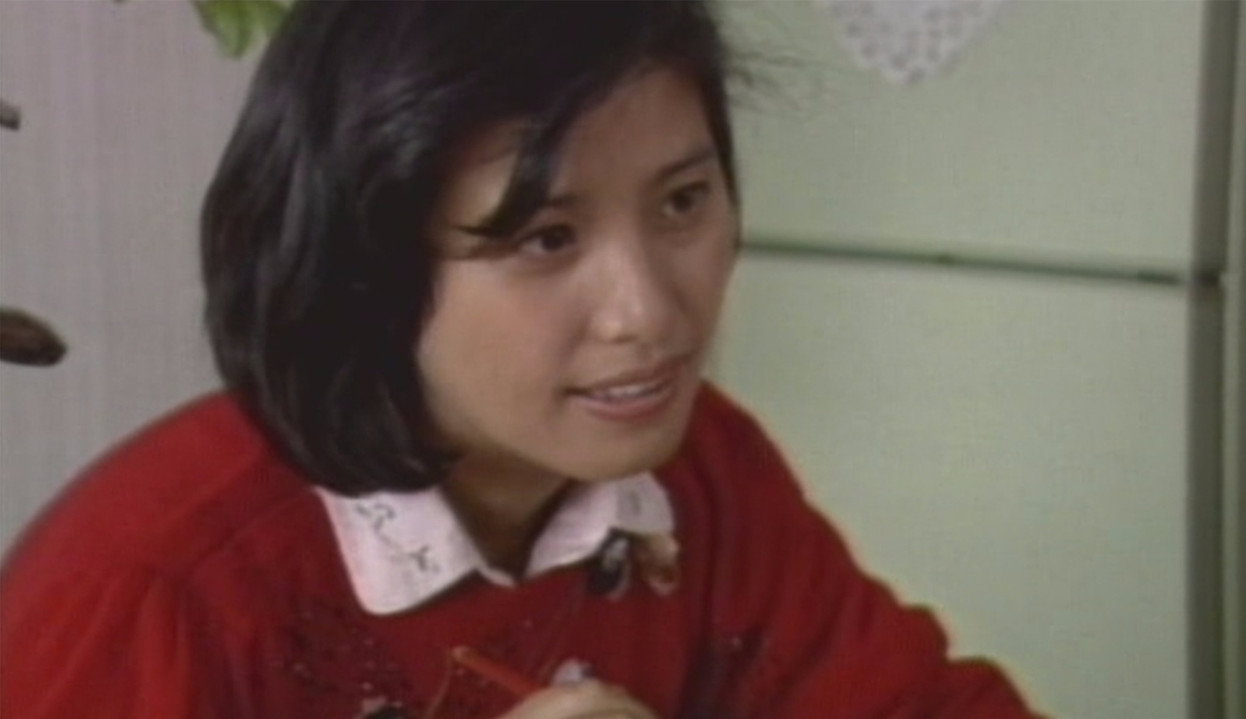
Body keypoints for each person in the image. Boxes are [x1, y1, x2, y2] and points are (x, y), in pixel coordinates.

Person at [0, 2, 1043, 718]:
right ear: (362, 264)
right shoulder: (155, 594)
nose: (648, 313)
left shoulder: (704, 475)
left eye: (683, 202)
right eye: (545, 238)